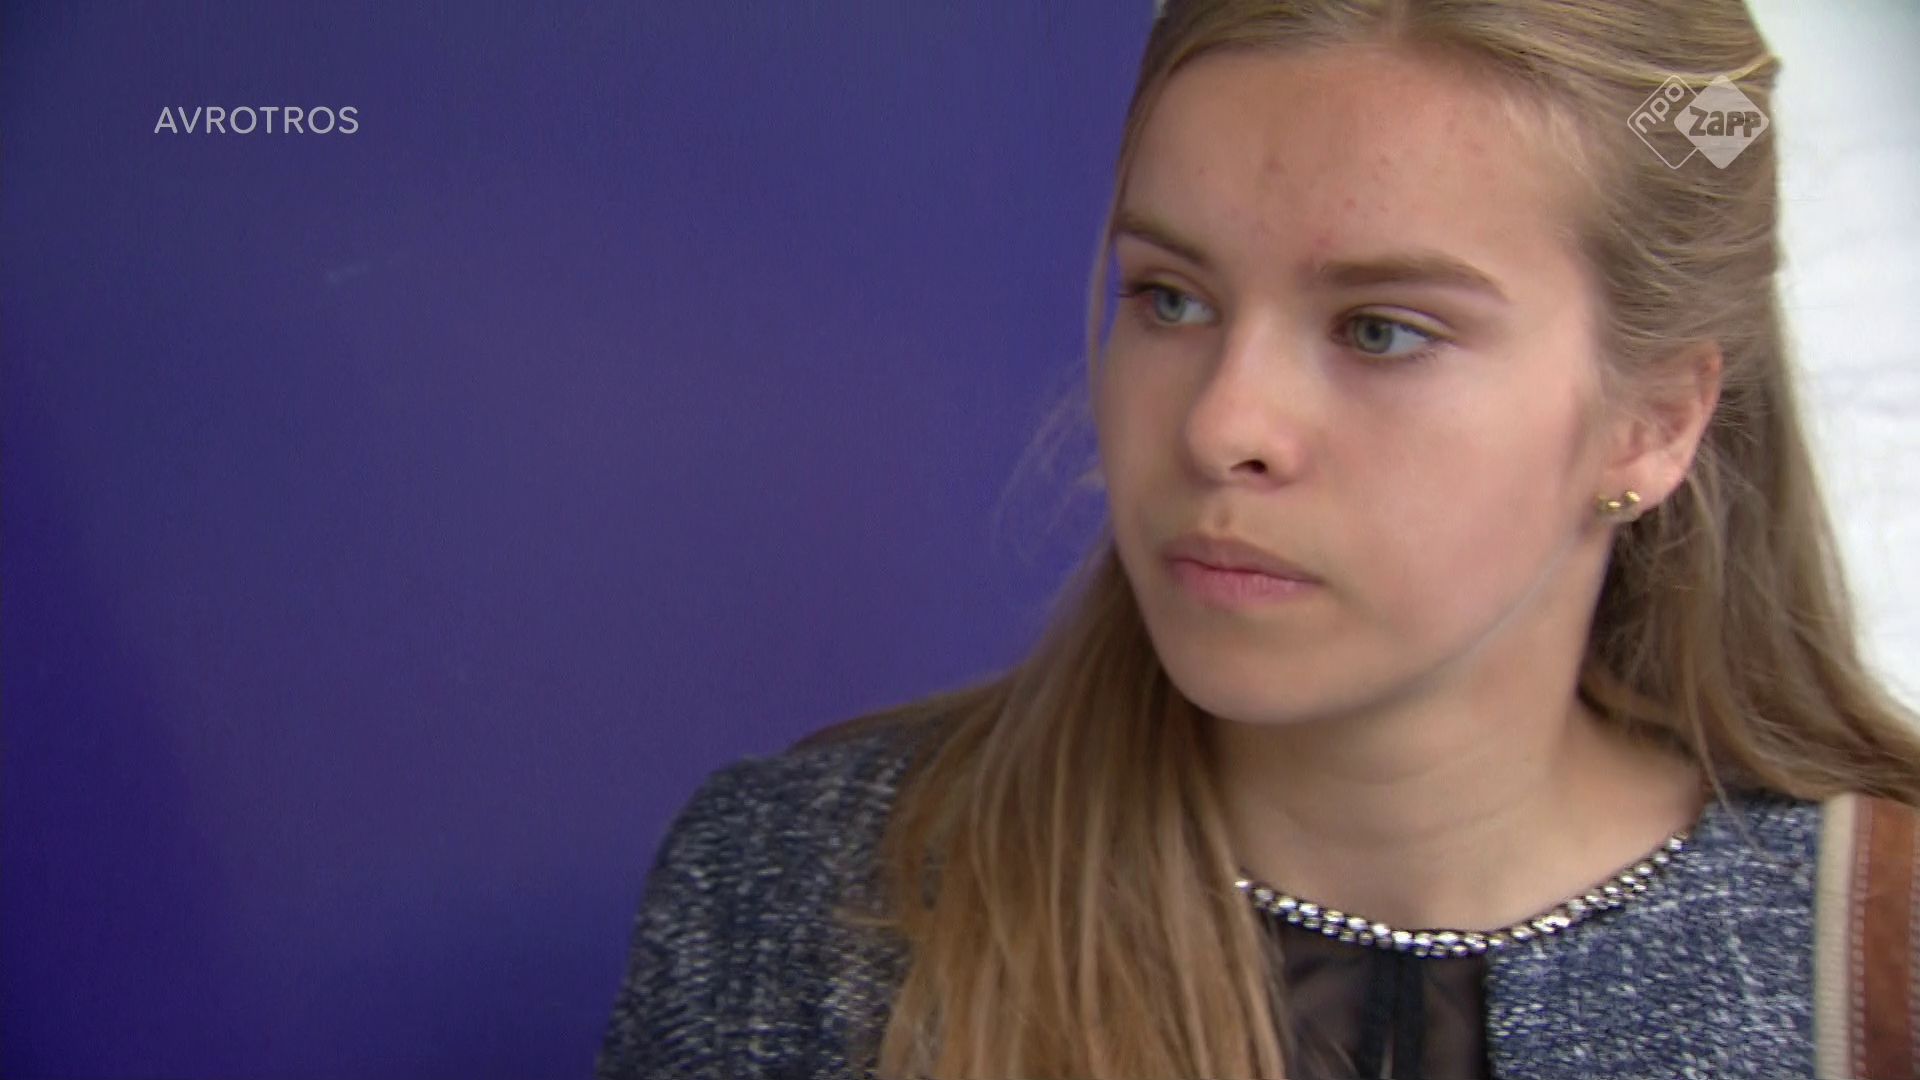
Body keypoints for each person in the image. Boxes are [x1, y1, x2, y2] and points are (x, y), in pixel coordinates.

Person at [595, 1, 1920, 1076]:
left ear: (1654, 422)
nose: (1224, 424)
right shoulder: (798, 899)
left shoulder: (1877, 957)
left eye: (1381, 330)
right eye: (1171, 300)